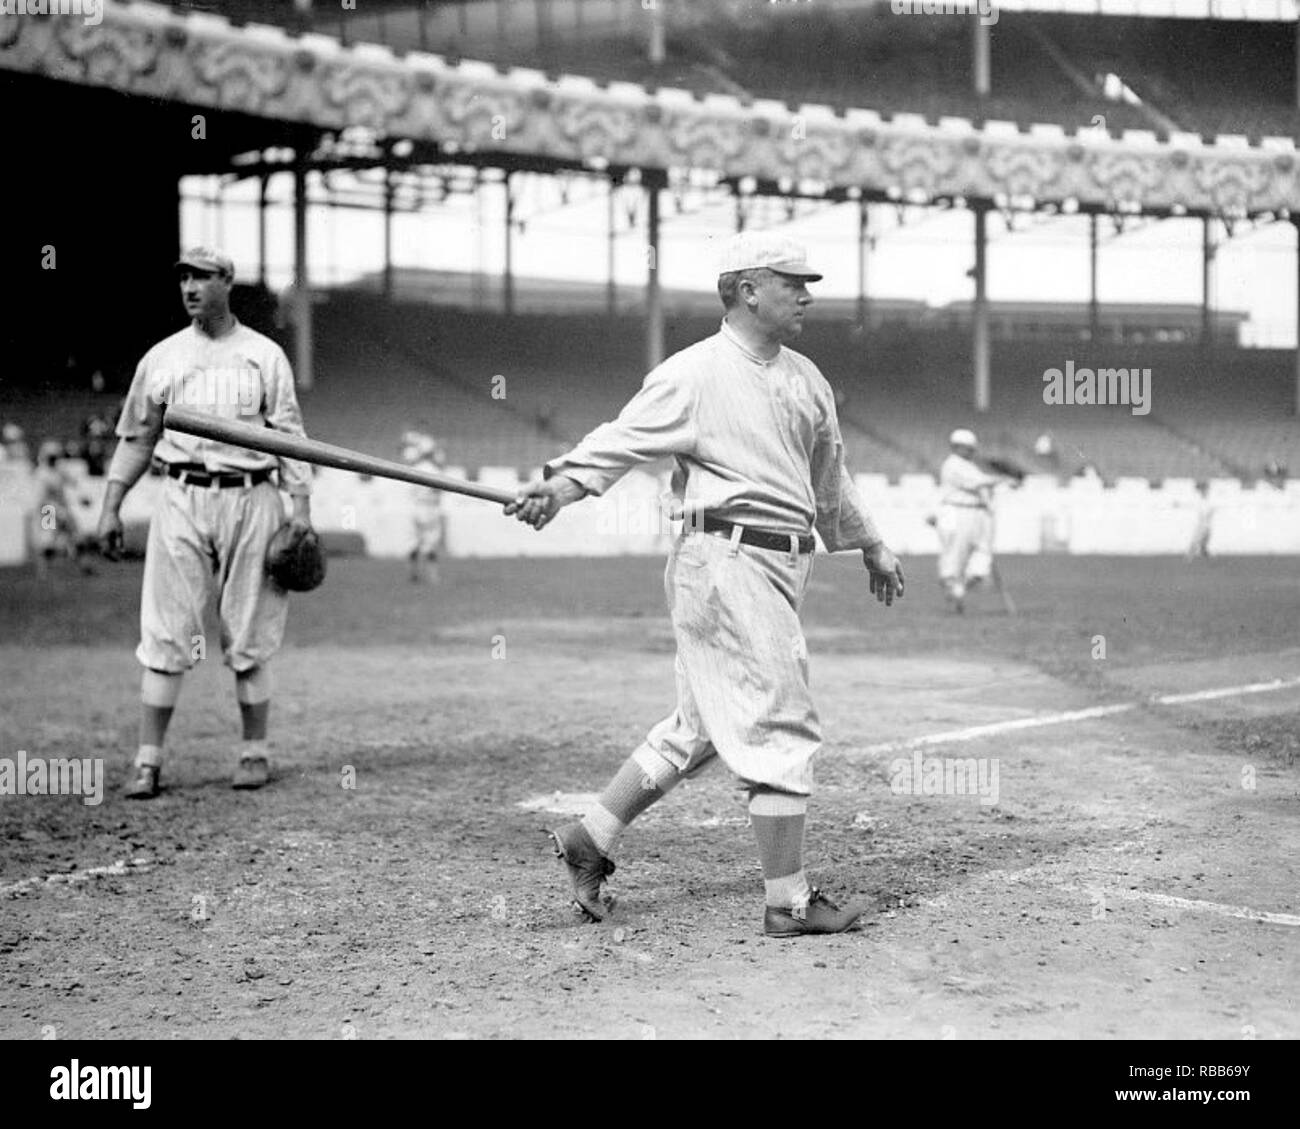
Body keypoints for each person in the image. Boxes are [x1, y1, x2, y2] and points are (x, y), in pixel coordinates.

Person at [505, 231, 905, 938]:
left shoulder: (808, 379)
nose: (807, 293)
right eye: (792, 281)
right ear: (748, 288)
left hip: (781, 563)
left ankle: (589, 837)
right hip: (724, 558)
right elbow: (621, 439)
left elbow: (829, 480)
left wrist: (870, 541)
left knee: (702, 727)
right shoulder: (694, 373)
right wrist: (562, 487)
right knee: (778, 715)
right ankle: (788, 903)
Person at [96, 247, 315, 799]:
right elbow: (137, 438)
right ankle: (148, 762)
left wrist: (302, 513)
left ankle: (254, 752)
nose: (190, 287)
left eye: (202, 277)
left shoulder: (263, 356)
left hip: (251, 498)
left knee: (249, 628)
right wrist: (110, 504)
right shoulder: (163, 357)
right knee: (168, 630)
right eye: (184, 278)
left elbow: (289, 439)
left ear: (227, 282)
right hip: (183, 495)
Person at [934, 428, 1003, 614]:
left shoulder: (970, 466)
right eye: (968, 448)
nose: (972, 452)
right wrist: (1001, 480)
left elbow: (983, 486)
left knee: (982, 556)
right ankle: (953, 587)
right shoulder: (952, 465)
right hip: (958, 512)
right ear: (957, 447)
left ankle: (961, 588)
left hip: (979, 515)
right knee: (955, 553)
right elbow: (978, 482)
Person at [401, 429, 447, 584]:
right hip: (430, 508)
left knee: (413, 541)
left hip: (415, 507)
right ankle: (433, 577)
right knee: (430, 543)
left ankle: (412, 574)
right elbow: (439, 490)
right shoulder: (435, 470)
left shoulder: (414, 468)